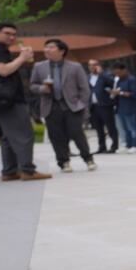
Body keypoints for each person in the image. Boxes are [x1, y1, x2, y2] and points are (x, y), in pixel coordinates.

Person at [0, 23, 51, 181]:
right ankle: (27, 170)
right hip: (9, 99)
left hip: (0, 99)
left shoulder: (0, 49)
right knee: (24, 134)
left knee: (7, 136)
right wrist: (22, 58)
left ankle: (10, 171)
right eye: (7, 33)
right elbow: (3, 71)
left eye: (14, 34)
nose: (11, 37)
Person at [29, 39, 96, 173]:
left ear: (62, 51)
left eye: (51, 47)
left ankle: (88, 159)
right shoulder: (39, 66)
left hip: (72, 106)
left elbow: (84, 88)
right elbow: (32, 85)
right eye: (46, 47)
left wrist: (81, 104)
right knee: (56, 136)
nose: (47, 50)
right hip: (51, 106)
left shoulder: (75, 67)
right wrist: (42, 88)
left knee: (76, 133)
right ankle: (64, 162)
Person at [87, 59, 119, 153]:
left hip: (105, 105)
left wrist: (101, 74)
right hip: (93, 106)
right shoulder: (88, 77)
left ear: (99, 65)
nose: (92, 67)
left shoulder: (105, 75)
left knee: (110, 126)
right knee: (98, 128)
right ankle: (102, 146)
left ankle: (114, 146)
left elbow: (112, 83)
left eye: (94, 64)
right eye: (90, 65)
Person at [111, 63, 136, 153]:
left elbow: (135, 94)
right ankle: (128, 145)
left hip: (130, 107)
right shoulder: (119, 81)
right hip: (121, 107)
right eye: (116, 73)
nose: (117, 75)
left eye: (118, 73)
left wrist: (120, 93)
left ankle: (135, 145)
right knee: (125, 128)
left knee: (132, 127)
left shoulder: (131, 80)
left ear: (124, 70)